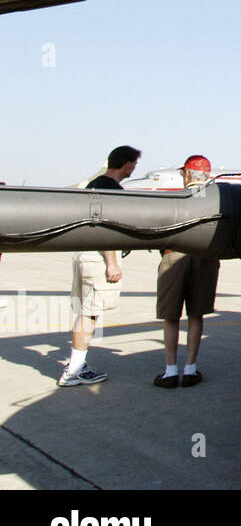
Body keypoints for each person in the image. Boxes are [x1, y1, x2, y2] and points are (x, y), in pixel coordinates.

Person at [59, 145, 140, 386]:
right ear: (127, 164)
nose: (134, 169)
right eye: (134, 165)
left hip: (84, 254)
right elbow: (105, 228)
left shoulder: (94, 184)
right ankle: (74, 370)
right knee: (89, 314)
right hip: (99, 258)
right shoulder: (112, 190)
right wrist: (112, 263)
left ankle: (77, 363)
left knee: (85, 313)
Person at [154, 155, 220, 389]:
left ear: (189, 174)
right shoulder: (216, 199)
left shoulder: (176, 197)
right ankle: (190, 368)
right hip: (205, 257)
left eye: (184, 173)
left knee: (171, 316)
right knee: (196, 314)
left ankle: (171, 370)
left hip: (174, 255)